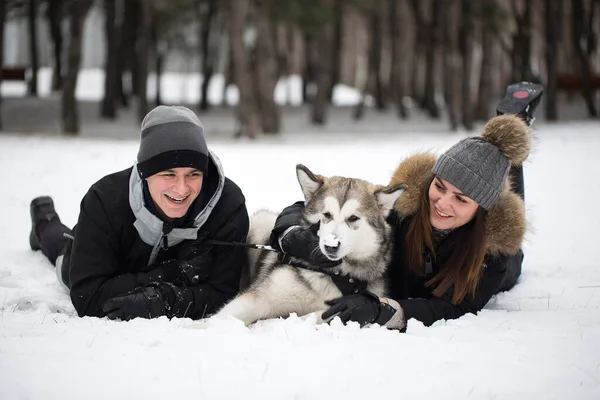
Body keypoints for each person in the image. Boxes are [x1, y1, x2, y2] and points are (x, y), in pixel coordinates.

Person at [270, 111, 534, 331]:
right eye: (440, 187)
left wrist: (382, 310)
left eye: (461, 199)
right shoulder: (405, 208)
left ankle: (518, 116)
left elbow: (454, 307)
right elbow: (307, 206)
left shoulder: (493, 258)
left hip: (498, 258)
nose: (442, 203)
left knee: (510, 190)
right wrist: (291, 233)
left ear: (480, 210)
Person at [28, 105, 249, 321]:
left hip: (128, 277)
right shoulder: (104, 200)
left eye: (193, 174)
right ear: (145, 172)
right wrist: (174, 274)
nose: (181, 189)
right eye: (168, 174)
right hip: (88, 256)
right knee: (60, 248)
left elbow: (224, 295)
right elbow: (89, 298)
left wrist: (166, 301)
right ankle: (44, 222)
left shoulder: (228, 206)